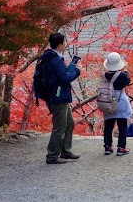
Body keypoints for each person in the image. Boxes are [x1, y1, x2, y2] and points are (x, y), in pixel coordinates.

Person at [42, 32, 81, 165]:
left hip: (60, 96)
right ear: (60, 44)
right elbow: (65, 79)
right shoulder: (56, 60)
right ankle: (52, 155)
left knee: (69, 124)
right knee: (60, 127)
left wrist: (69, 68)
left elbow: (61, 75)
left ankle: (66, 150)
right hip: (59, 97)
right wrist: (77, 71)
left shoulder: (52, 57)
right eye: (64, 42)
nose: (66, 44)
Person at [101, 51, 132, 156]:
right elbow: (128, 81)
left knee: (108, 125)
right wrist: (126, 69)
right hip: (120, 101)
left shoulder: (104, 75)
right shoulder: (122, 75)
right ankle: (121, 147)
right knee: (122, 125)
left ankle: (107, 146)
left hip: (108, 101)